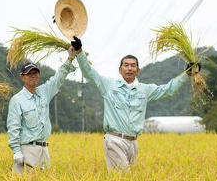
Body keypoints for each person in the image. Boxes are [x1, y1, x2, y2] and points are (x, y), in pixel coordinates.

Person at [70, 36, 199, 171]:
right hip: (114, 140)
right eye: (126, 65)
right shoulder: (109, 86)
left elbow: (168, 89)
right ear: (120, 70)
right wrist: (79, 51)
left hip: (133, 142)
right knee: (124, 178)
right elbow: (89, 73)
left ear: (138, 70)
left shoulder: (145, 90)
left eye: (133, 66)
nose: (129, 68)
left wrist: (187, 74)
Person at [6, 54, 76, 173]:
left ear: (39, 75)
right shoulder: (17, 100)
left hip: (44, 149)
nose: (33, 76)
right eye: (29, 73)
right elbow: (13, 127)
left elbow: (58, 78)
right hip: (27, 149)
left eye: (35, 73)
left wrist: (70, 58)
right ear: (22, 77)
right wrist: (16, 151)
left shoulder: (44, 92)